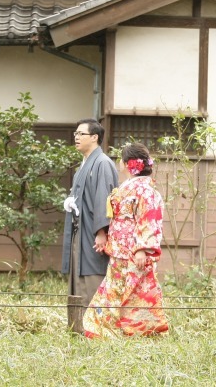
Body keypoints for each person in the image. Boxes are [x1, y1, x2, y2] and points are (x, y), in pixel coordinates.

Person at [83, 142, 169, 337]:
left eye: (120, 161)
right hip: (119, 251)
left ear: (126, 164)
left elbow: (149, 219)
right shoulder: (128, 188)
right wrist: (105, 235)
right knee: (115, 290)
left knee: (137, 293)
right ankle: (111, 331)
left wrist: (142, 249)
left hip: (136, 252)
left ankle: (140, 331)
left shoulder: (147, 191)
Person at [61, 118, 119, 307]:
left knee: (92, 273)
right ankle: (78, 325)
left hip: (94, 233)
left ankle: (92, 326)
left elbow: (105, 198)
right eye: (75, 134)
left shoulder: (102, 163)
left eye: (81, 134)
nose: (76, 137)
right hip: (81, 230)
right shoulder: (85, 164)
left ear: (94, 137)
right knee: (79, 273)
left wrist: (102, 232)